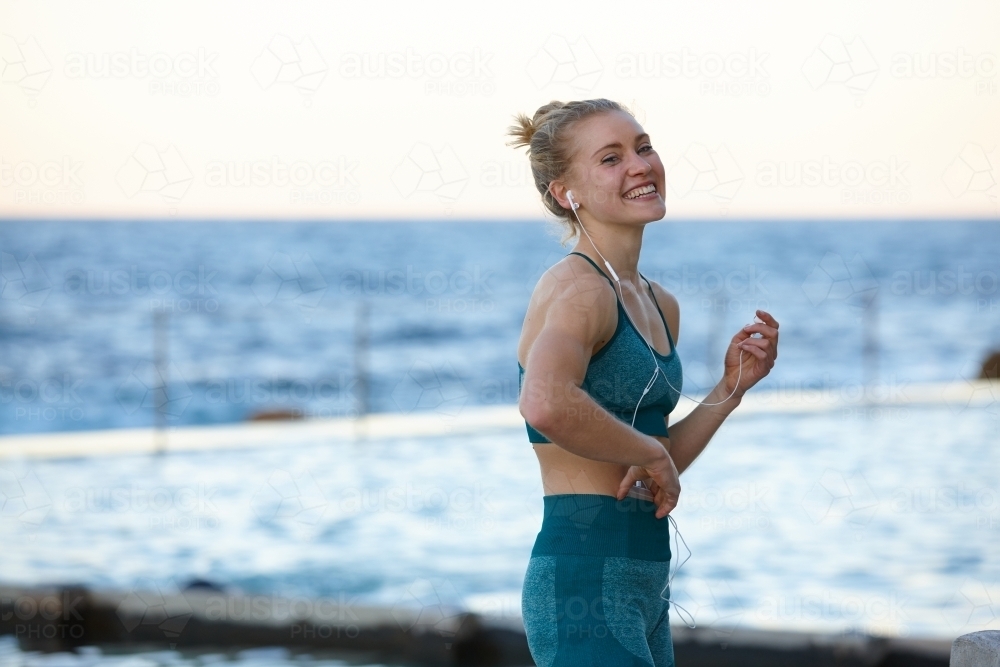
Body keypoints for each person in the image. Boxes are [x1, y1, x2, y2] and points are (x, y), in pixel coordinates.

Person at [510, 99, 779, 667]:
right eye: (611, 158)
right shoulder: (577, 289)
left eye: (643, 147)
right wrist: (650, 454)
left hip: (646, 587)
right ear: (566, 192)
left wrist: (730, 388)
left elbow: (655, 461)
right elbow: (544, 401)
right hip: (582, 579)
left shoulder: (661, 304)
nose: (639, 165)